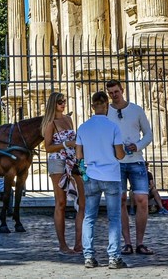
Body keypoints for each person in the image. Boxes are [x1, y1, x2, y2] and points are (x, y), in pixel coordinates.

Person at [75, 91, 127, 270]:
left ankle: (88, 256)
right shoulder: (113, 128)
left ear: (92, 106)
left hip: (92, 175)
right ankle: (114, 257)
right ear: (106, 106)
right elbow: (120, 155)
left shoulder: (83, 127)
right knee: (114, 218)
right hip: (111, 175)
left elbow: (79, 155)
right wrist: (123, 151)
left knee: (89, 217)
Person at [105, 79, 154, 256]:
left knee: (142, 200)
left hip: (136, 160)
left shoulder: (136, 110)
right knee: (120, 201)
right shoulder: (106, 112)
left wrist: (138, 145)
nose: (113, 95)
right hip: (115, 163)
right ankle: (126, 242)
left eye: (116, 92)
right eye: (110, 93)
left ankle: (140, 242)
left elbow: (148, 134)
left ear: (122, 90)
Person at [41, 91, 85, 255]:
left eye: (64, 101)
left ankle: (79, 243)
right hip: (57, 162)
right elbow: (47, 147)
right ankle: (63, 245)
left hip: (73, 160)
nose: (63, 103)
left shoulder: (69, 119)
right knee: (60, 202)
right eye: (60, 101)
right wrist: (66, 144)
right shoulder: (50, 123)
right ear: (53, 103)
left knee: (82, 201)